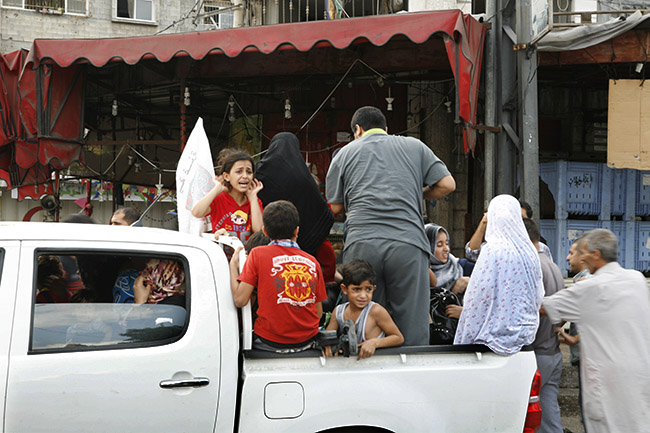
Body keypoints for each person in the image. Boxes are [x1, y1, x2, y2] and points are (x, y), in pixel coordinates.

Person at [326, 106, 455, 346]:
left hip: (362, 243)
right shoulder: (415, 146)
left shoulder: (344, 154)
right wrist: (418, 194)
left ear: (357, 130)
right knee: (412, 319)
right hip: (408, 244)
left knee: (365, 314)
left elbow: (334, 207)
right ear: (386, 129)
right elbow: (447, 184)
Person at [541, 229, 650, 433]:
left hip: (609, 388)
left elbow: (543, 308)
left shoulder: (590, 288)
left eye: (580, 251)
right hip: (639, 381)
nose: (575, 257)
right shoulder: (636, 280)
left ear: (596, 254)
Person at [230, 200, 327, 352]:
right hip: (307, 341)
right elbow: (319, 312)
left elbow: (240, 300)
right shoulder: (312, 261)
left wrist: (232, 266)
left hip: (269, 342)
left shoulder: (257, 254)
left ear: (265, 232)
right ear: (296, 231)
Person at [454, 194, 544, 355]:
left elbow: (479, 295)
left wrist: (464, 340)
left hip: (491, 341)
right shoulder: (531, 251)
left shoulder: (493, 250)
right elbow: (538, 294)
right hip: (525, 338)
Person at [255, 132, 334, 259]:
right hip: (302, 251)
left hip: (267, 247)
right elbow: (325, 214)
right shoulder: (304, 178)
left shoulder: (260, 174)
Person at [523, 218, 563, 433]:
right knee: (549, 415)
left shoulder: (533, 265)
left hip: (537, 352)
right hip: (553, 350)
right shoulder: (552, 264)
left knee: (527, 416)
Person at [323, 260, 404, 359]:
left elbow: (398, 338)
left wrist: (374, 343)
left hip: (374, 366)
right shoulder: (339, 312)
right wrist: (328, 346)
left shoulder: (376, 311)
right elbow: (327, 337)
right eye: (357, 289)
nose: (363, 296)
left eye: (368, 289)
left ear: (374, 288)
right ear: (344, 289)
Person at [191, 149, 263, 243]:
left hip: (245, 256)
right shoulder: (219, 198)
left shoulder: (255, 202)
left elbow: (259, 231)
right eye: (239, 172)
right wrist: (217, 189)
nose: (245, 176)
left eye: (249, 172)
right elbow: (196, 213)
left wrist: (253, 197)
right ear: (226, 176)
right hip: (220, 256)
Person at [465, 201, 553, 262]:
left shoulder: (541, 248)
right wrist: (484, 221)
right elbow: (471, 253)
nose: (516, 222)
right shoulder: (496, 248)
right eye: (512, 218)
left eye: (520, 218)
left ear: (531, 221)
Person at [424, 223, 470, 295]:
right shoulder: (420, 273)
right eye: (439, 245)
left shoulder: (463, 266)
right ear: (427, 247)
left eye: (447, 243)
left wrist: (472, 284)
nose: (446, 249)